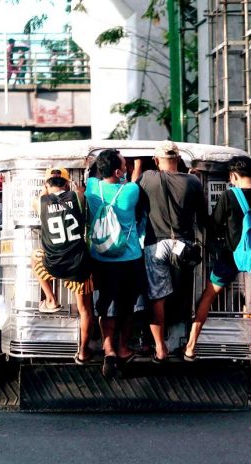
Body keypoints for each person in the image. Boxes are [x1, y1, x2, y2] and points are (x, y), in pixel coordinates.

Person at [184, 155, 251, 361]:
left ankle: (190, 346)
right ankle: (250, 292)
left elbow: (214, 225)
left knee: (209, 295)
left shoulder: (229, 195)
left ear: (233, 175)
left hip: (232, 256)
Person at [136, 140, 208, 362]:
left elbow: (135, 197)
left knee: (157, 297)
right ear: (178, 159)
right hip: (182, 247)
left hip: (155, 244)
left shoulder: (147, 178)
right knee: (181, 292)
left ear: (156, 160)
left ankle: (160, 348)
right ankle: (180, 340)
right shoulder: (193, 182)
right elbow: (202, 217)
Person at [85, 149, 144, 377]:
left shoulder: (92, 188)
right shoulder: (130, 190)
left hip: (100, 258)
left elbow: (92, 173)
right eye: (124, 165)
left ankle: (107, 348)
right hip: (129, 258)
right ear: (119, 171)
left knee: (106, 305)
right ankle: (122, 347)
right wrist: (135, 168)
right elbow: (134, 180)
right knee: (127, 306)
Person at [31, 167, 94, 364]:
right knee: (85, 310)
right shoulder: (78, 198)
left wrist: (46, 189)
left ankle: (51, 300)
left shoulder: (40, 202)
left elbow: (44, 194)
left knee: (35, 256)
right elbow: (80, 194)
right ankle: (83, 352)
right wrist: (75, 188)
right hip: (78, 266)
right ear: (67, 184)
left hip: (54, 265)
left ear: (46, 184)